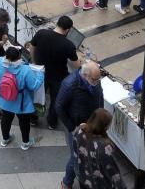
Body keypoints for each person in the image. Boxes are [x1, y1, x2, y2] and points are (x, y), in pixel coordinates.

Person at [57, 61, 106, 189]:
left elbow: (100, 95)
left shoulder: (94, 81)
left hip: (92, 124)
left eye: (98, 79)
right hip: (76, 127)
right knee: (76, 157)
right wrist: (72, 128)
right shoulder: (69, 85)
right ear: (85, 75)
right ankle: (67, 182)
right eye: (95, 79)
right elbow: (59, 107)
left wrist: (100, 115)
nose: (97, 82)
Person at [29, 15, 80, 131]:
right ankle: (52, 122)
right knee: (55, 100)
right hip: (58, 77)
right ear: (67, 30)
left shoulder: (41, 33)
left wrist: (34, 62)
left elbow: (32, 47)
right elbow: (77, 65)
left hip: (40, 72)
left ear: (57, 24)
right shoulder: (68, 45)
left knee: (37, 96)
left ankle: (32, 118)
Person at [0, 45, 43, 150]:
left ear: (6, 55)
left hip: (4, 100)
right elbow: (34, 86)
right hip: (21, 103)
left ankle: (5, 139)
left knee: (6, 119)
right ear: (19, 57)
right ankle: (25, 143)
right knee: (24, 122)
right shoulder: (25, 69)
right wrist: (40, 74)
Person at [72, 108, 127, 189]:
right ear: (104, 127)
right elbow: (113, 172)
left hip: (82, 177)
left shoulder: (80, 129)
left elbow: (75, 152)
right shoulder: (104, 147)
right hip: (98, 184)